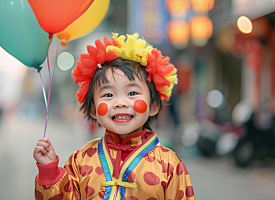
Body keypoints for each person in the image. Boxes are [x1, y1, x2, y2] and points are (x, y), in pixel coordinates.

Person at [33, 33, 195, 200]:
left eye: (132, 93)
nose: (120, 103)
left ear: (153, 106)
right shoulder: (80, 160)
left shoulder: (169, 165)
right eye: (108, 95)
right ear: (93, 109)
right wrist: (49, 173)